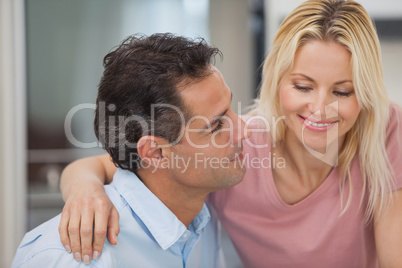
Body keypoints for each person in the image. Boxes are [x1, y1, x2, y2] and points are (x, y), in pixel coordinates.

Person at [58, 0, 402, 267]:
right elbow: (116, 161)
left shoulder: (382, 129)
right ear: (278, 81)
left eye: (342, 92)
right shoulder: (234, 151)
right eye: (302, 86)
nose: (321, 107)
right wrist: (84, 190)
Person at [12, 33, 251, 267]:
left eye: (231, 108)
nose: (244, 130)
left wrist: (83, 183)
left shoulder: (201, 217)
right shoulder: (72, 259)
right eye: (217, 125)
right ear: (155, 153)